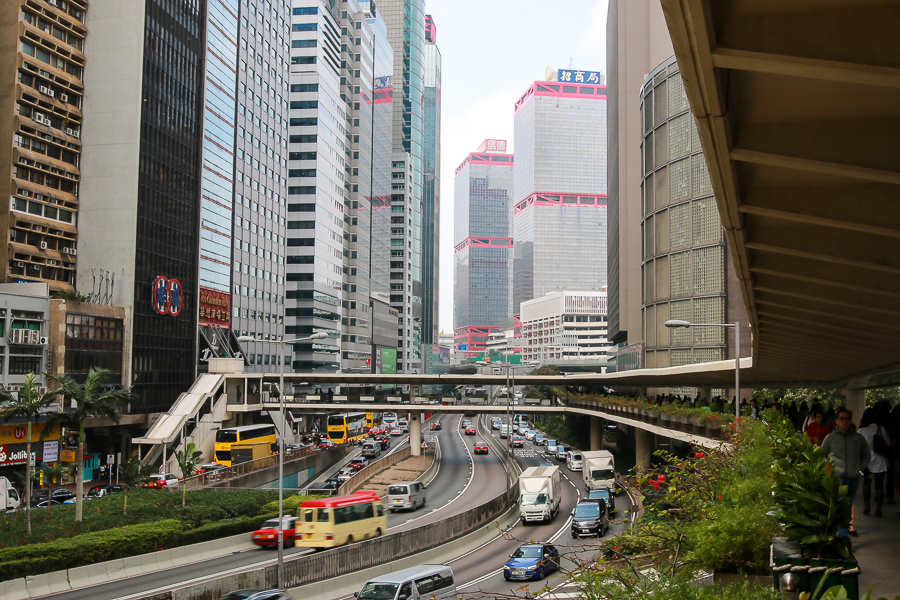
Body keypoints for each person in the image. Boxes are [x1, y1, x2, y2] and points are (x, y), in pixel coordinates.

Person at [822, 409, 871, 543]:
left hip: (854, 478)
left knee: (847, 506)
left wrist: (859, 469)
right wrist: (829, 469)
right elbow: (821, 455)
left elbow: (867, 456)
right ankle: (838, 534)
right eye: (842, 419)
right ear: (836, 421)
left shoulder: (858, 438)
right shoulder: (830, 438)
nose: (845, 421)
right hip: (838, 478)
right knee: (839, 506)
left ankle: (843, 535)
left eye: (847, 418)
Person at [858, 408, 890, 517]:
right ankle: (879, 509)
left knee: (866, 484)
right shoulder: (880, 429)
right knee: (879, 485)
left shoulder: (861, 430)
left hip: (866, 461)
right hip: (880, 460)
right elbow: (888, 442)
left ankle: (867, 507)